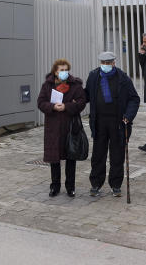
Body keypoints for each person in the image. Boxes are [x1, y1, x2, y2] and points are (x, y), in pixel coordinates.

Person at [84, 51, 139, 197]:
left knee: (117, 154)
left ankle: (116, 184)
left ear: (114, 63)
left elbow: (134, 99)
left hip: (118, 122)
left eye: (109, 63)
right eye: (103, 63)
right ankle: (96, 183)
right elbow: (86, 95)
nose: (106, 66)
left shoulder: (122, 78)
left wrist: (128, 116)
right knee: (98, 154)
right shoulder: (94, 76)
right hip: (99, 121)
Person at [36, 58, 87, 198]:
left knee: (71, 157)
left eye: (66, 70)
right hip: (53, 128)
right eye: (61, 70)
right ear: (55, 72)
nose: (64, 73)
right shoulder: (47, 85)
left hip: (70, 127)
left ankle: (70, 187)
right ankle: (55, 186)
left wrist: (67, 106)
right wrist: (52, 107)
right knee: (54, 159)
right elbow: (40, 102)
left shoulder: (75, 85)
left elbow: (82, 101)